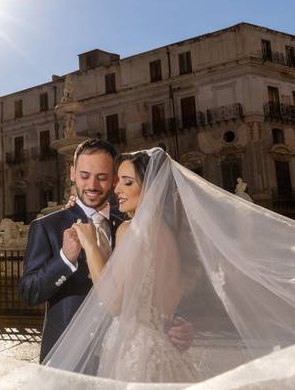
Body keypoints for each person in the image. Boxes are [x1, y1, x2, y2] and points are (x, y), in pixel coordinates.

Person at [18, 139, 192, 362]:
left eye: (102, 177)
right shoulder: (47, 227)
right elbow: (29, 292)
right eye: (84, 176)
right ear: (72, 173)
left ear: (114, 179)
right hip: (68, 359)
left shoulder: (132, 225)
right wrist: (65, 259)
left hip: (123, 355)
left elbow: (153, 284)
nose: (92, 185)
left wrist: (175, 321)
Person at [70, 151, 198, 382]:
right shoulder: (176, 236)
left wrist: (90, 246)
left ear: (151, 188)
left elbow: (115, 302)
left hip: (135, 352)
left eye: (127, 182)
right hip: (165, 350)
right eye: (118, 182)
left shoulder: (131, 230)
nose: (117, 189)